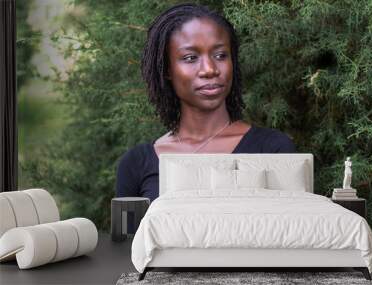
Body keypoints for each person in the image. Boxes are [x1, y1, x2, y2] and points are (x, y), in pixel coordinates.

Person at [116, 3, 295, 202]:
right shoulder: (135, 164)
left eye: (220, 55)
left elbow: (295, 229)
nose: (209, 69)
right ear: (167, 70)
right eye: (190, 57)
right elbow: (127, 233)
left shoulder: (273, 149)